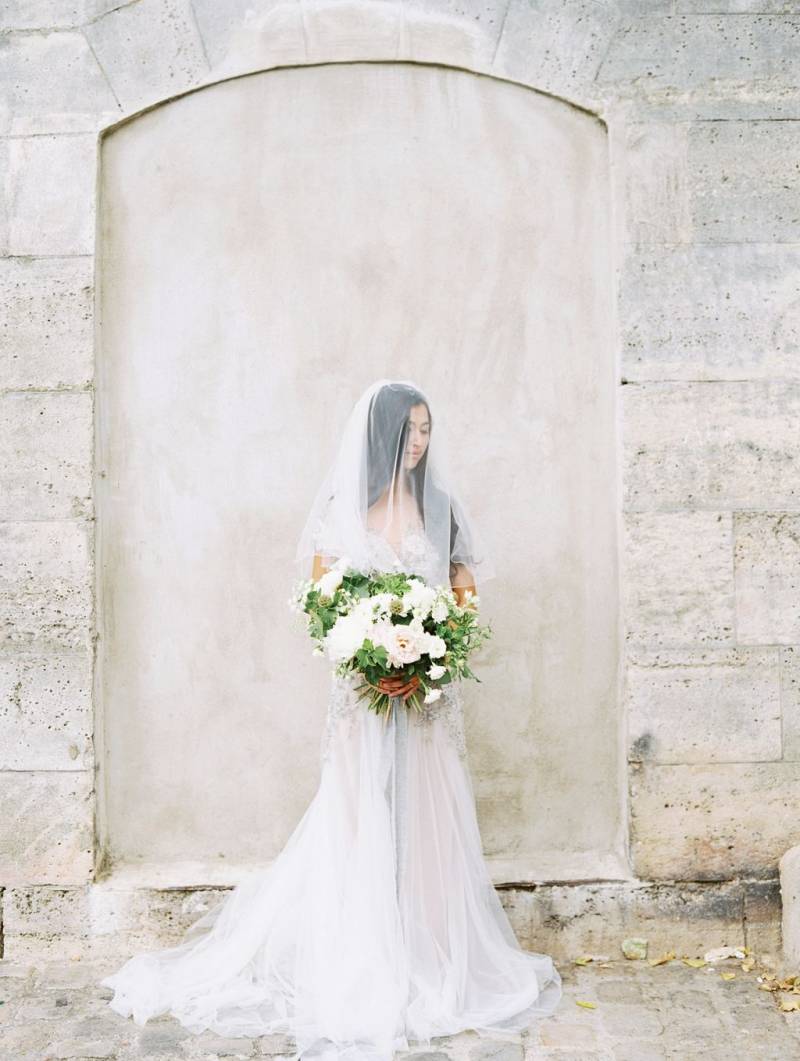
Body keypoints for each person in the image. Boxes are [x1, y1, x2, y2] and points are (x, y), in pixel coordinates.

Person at [99, 378, 562, 1061]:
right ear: (382, 435)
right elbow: (325, 609)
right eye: (411, 430)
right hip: (365, 699)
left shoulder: (442, 507)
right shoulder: (346, 510)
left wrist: (432, 655)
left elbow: (463, 593)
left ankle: (430, 954)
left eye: (428, 430)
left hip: (425, 701)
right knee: (359, 819)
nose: (421, 443)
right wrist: (374, 659)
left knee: (427, 821)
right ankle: (364, 954)